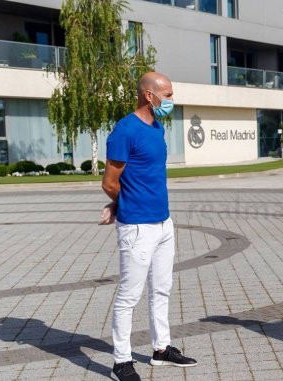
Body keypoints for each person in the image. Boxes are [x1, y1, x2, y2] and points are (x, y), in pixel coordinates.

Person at [100, 72, 197, 381]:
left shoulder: (157, 128)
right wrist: (122, 205)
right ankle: (121, 361)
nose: (171, 100)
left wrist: (119, 203)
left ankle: (161, 349)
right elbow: (110, 182)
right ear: (148, 95)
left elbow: (143, 176)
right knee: (129, 296)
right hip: (138, 228)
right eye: (167, 95)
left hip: (163, 222)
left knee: (162, 288)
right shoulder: (125, 131)